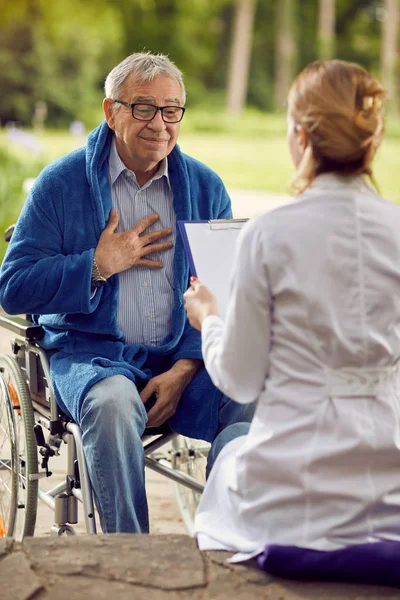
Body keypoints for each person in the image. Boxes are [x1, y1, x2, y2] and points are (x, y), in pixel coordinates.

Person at [0, 52, 254, 534]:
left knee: (247, 390)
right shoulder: (60, 184)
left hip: (177, 360)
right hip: (92, 356)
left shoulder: (204, 187)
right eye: (143, 108)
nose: (159, 123)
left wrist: (184, 369)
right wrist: (98, 264)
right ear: (110, 111)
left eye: (171, 109)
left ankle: (225, 536)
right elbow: (13, 288)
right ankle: (130, 555)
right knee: (114, 402)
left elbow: (220, 292)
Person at [184, 59, 400, 557]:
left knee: (231, 464)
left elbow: (239, 380)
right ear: (372, 139)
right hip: (388, 489)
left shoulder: (270, 233)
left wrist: (209, 317)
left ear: (301, 137)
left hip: (294, 495)